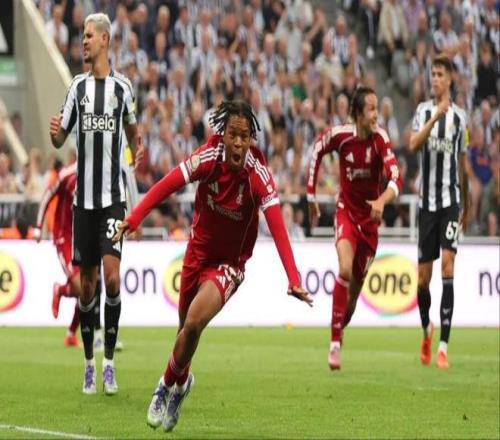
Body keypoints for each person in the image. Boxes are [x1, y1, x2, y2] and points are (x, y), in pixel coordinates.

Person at [113, 100, 312, 432]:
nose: (238, 143)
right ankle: (183, 384)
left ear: (251, 139)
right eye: (233, 135)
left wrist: (293, 277)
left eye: (244, 137)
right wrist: (134, 218)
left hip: (229, 265)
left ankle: (164, 387)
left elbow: (278, 225)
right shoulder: (208, 157)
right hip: (196, 255)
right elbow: (167, 185)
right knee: (184, 331)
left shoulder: (258, 174)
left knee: (193, 322)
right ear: (223, 134)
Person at [49, 12, 144, 395]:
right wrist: (55, 135)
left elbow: (133, 132)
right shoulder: (77, 88)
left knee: (112, 278)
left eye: (89, 36)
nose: (84, 41)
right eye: (83, 36)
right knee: (87, 288)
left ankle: (108, 366)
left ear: (105, 39)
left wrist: (136, 150)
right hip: (83, 205)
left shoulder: (123, 88)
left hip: (112, 202)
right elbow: (61, 138)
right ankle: (89, 363)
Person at [306, 86, 402, 371]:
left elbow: (396, 177)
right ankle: (334, 343)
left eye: (376, 108)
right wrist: (311, 196)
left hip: (370, 224)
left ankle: (340, 327)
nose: (376, 114)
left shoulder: (380, 139)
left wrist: (382, 200)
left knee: (352, 300)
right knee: (345, 269)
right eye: (371, 109)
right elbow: (316, 150)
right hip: (346, 213)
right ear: (359, 114)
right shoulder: (342, 136)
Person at [409, 55, 469, 369]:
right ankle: (426, 330)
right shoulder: (422, 111)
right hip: (427, 206)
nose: (434, 79)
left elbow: (463, 164)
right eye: (432, 74)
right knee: (423, 278)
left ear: (450, 80)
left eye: (440, 74)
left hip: (450, 202)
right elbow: (412, 144)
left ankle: (443, 346)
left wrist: (466, 205)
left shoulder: (460, 118)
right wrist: (434, 119)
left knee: (448, 266)